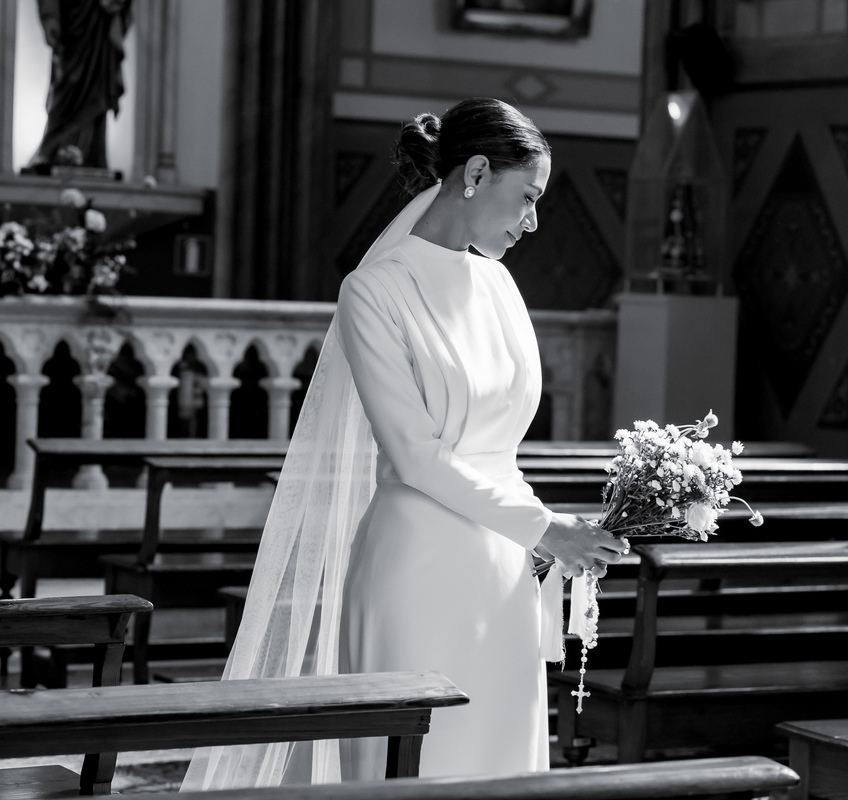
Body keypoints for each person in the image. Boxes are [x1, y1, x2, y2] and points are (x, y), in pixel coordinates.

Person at [181, 98, 626, 789]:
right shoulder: (373, 292)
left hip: (502, 573)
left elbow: (496, 448)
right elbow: (416, 456)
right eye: (528, 197)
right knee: (417, 770)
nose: (534, 221)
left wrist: (563, 536)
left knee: (499, 766)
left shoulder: (501, 286)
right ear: (476, 172)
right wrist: (543, 527)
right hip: (416, 571)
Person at [30, 0, 132, 170]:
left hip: (99, 21)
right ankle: (54, 149)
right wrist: (50, 15)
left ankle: (91, 154)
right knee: (68, 83)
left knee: (97, 89)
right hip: (73, 21)